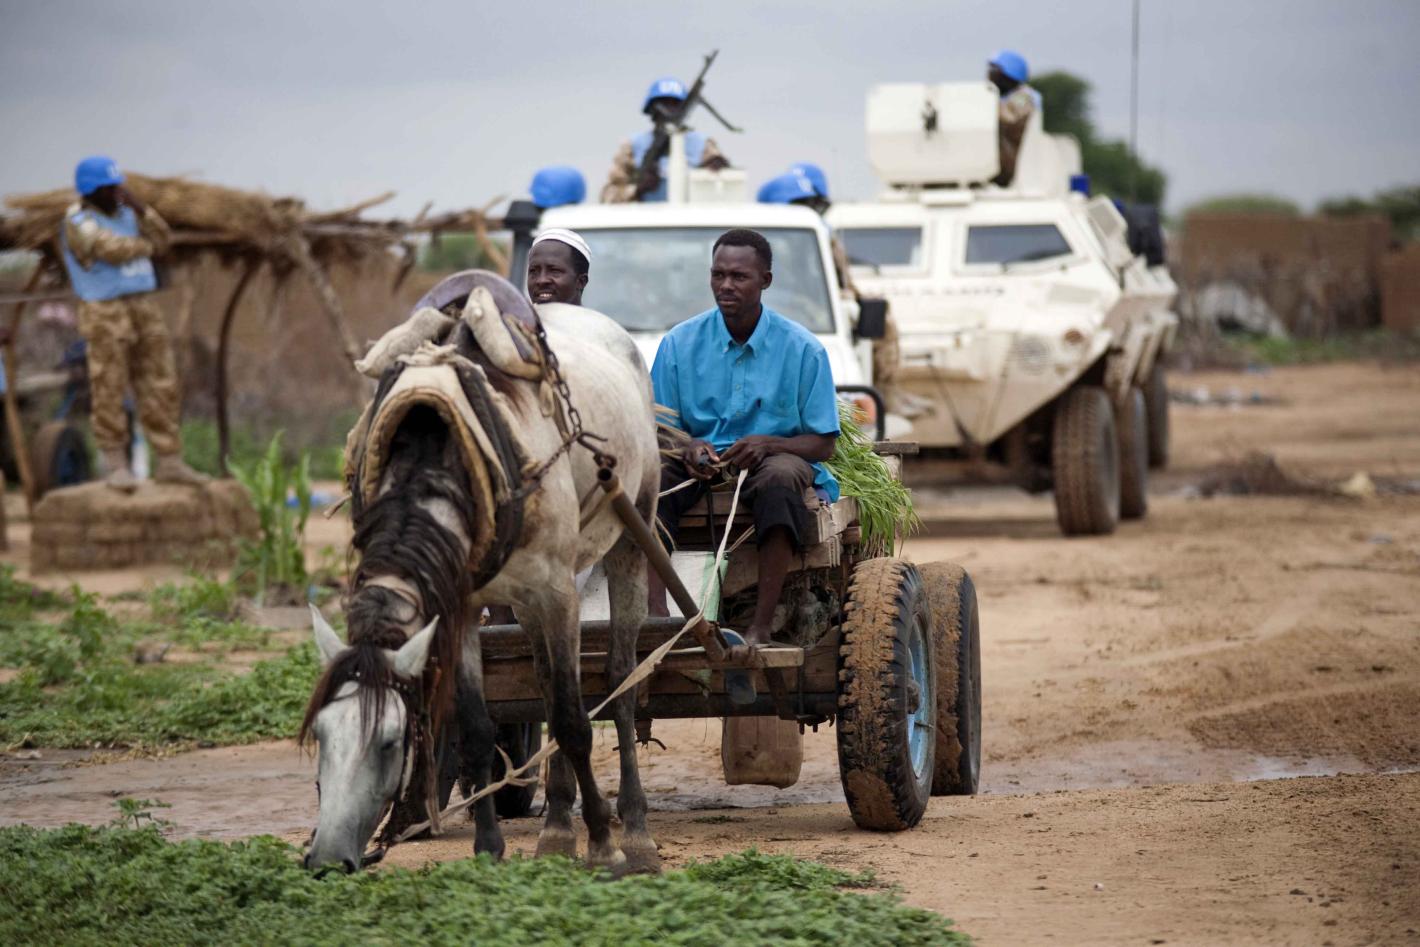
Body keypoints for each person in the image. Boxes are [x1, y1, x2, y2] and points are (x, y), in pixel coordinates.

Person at [651, 228, 840, 652]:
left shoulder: (803, 350)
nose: (726, 286)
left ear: (765, 281)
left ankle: (760, 628)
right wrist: (689, 446)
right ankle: (656, 616)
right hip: (699, 464)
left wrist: (769, 445)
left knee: (781, 479)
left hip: (775, 459)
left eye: (739, 276)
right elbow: (660, 426)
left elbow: (823, 443)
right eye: (718, 275)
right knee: (650, 477)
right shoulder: (678, 344)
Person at [58, 156, 207, 490]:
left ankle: (170, 460)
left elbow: (163, 239)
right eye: (108, 188)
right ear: (91, 190)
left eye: (117, 186)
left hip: (143, 304)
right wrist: (146, 247)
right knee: (109, 384)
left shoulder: (130, 215)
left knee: (159, 382)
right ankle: (115, 464)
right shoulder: (78, 220)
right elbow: (110, 249)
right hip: (105, 310)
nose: (116, 193)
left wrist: (144, 212)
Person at [758, 166, 901, 411]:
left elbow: (843, 284)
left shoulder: (818, 236)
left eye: (816, 204)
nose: (810, 210)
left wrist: (848, 300)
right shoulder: (764, 244)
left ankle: (886, 398)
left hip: (810, 315)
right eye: (801, 204)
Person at [600, 77, 730, 204]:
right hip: (646, 216)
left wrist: (717, 171)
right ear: (651, 110)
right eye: (663, 104)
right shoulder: (633, 146)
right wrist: (637, 189)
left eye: (675, 104)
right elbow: (607, 197)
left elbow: (730, 189)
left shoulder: (703, 145)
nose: (669, 111)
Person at [987, 49, 1039, 187]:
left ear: (1009, 74)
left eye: (995, 70)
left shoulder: (1024, 96)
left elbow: (1009, 117)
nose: (990, 75)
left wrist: (985, 103)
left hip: (1018, 162)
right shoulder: (1002, 97)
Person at [526, 228, 591, 306]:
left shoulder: (593, 315)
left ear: (581, 281)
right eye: (533, 271)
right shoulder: (518, 313)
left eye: (554, 271)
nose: (541, 280)